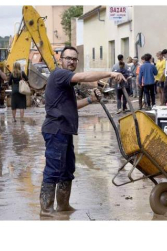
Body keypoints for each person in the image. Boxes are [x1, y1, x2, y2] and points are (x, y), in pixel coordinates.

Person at [40, 46, 125, 217]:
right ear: (61, 60)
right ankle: (46, 209)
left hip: (65, 131)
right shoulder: (59, 74)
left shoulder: (66, 83)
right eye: (68, 58)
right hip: (56, 130)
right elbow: (83, 76)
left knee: (67, 169)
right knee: (54, 169)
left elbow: (72, 106)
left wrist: (90, 99)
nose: (71, 61)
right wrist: (109, 73)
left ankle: (63, 206)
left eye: (74, 59)